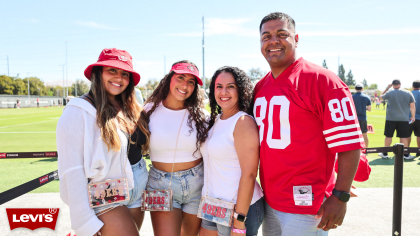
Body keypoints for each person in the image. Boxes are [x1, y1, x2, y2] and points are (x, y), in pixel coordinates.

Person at [254, 12, 362, 235]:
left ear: (296, 38)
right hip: (270, 200)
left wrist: (340, 196)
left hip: (307, 205)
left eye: (281, 34)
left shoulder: (324, 81)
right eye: (266, 36)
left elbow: (349, 144)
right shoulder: (260, 86)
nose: (273, 41)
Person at [56, 48, 150, 236]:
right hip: (107, 195)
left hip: (137, 193)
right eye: (112, 70)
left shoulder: (129, 106)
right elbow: (71, 170)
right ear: (98, 73)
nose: (119, 78)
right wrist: (85, 222)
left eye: (125, 74)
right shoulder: (78, 110)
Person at [144, 60, 209, 236]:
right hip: (160, 183)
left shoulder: (202, 116)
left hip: (197, 182)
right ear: (168, 79)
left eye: (191, 82)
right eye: (180, 77)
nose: (184, 85)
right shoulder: (148, 111)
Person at [200, 66, 264, 236]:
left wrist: (239, 221)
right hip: (213, 206)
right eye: (219, 86)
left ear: (241, 90)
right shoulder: (217, 120)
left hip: (240, 209)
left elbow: (249, 174)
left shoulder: (243, 122)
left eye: (231, 86)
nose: (224, 92)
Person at [378, 80, 416, 159]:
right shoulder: (408, 93)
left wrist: (387, 88)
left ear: (393, 85)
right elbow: (412, 106)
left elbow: (380, 97)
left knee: (388, 136)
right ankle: (405, 154)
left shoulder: (390, 92)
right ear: (400, 84)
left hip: (390, 119)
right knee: (403, 137)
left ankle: (385, 153)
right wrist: (413, 116)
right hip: (403, 119)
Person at [407, 80, 420, 158]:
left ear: (412, 86)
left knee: (407, 135)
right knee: (419, 135)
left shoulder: (409, 94)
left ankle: (406, 151)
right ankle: (419, 151)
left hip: (409, 118)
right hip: (419, 118)